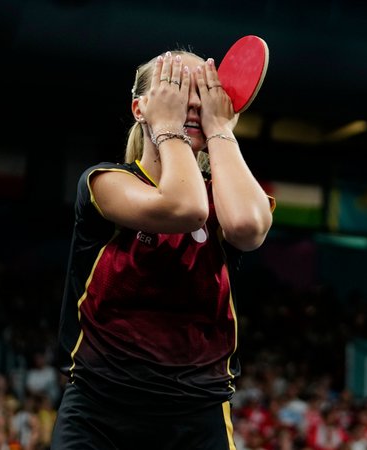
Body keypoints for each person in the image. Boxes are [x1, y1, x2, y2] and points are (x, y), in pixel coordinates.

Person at [50, 48, 274, 450]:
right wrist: (170, 128)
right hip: (100, 411)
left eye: (204, 92)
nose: (192, 101)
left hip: (198, 414)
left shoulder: (222, 199)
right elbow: (184, 209)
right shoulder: (105, 182)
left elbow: (248, 227)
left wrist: (220, 129)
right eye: (175, 87)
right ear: (140, 107)